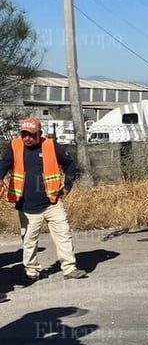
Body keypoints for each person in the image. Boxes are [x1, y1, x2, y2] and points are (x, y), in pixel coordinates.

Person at [0, 116, 87, 282]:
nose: (27, 138)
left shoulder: (51, 146)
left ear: (40, 133)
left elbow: (69, 165)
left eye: (31, 134)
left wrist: (67, 186)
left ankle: (69, 268)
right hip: (27, 206)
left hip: (52, 202)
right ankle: (31, 272)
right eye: (24, 134)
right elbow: (3, 164)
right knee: (29, 241)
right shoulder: (14, 146)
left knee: (64, 234)